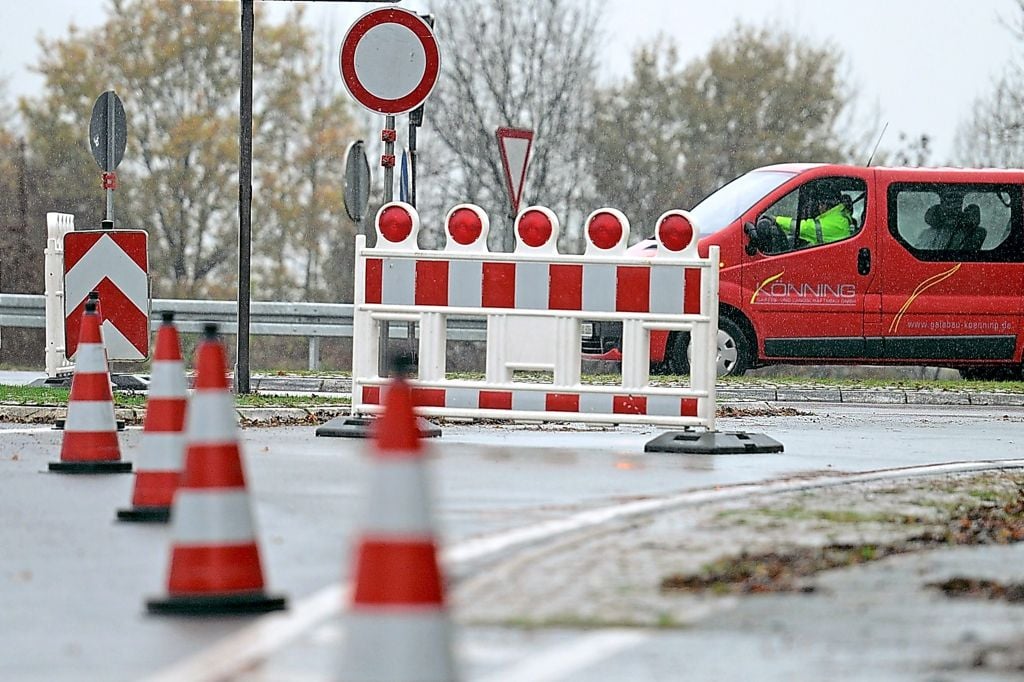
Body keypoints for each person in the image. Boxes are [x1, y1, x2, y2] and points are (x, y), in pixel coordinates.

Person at [772, 187, 855, 246]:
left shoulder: (835, 222)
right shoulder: (838, 215)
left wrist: (776, 220)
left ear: (827, 204)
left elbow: (805, 227)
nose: (818, 207)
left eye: (820, 204)